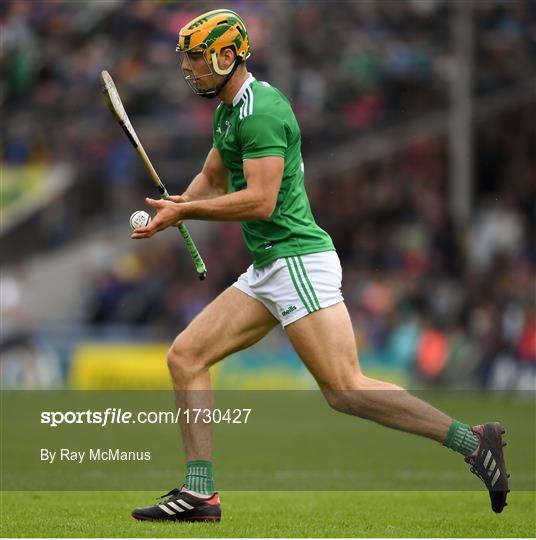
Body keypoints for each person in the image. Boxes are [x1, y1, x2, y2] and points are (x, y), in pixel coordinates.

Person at [130, 8, 509, 522]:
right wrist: (175, 212)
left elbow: (261, 201)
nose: (188, 67)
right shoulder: (228, 113)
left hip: (297, 261)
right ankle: (201, 494)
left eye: (196, 57)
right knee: (185, 357)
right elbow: (213, 179)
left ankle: (474, 440)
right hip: (268, 267)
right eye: (187, 58)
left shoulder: (262, 109)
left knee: (345, 389)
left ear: (226, 55)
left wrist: (188, 210)